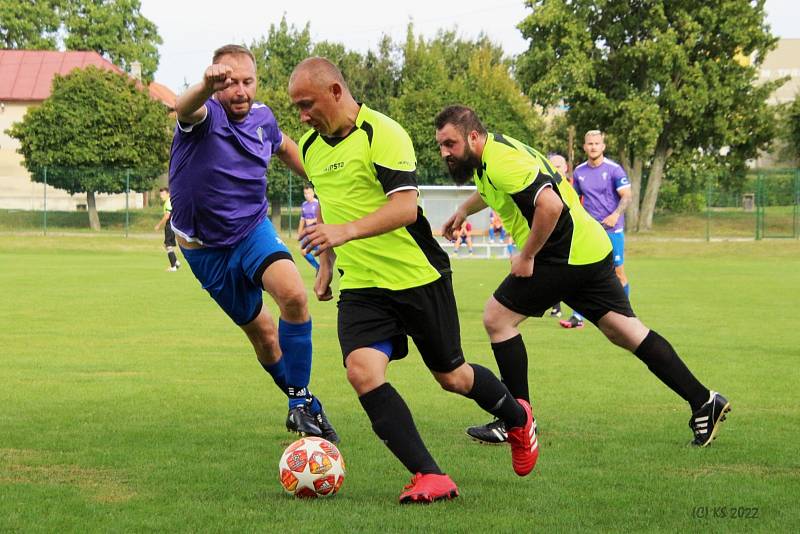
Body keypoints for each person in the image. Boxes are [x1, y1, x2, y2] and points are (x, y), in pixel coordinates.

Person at [288, 58, 538, 504]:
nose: (302, 116)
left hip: (417, 276)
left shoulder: (382, 133)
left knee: (453, 377)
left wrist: (341, 233)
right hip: (362, 285)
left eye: (307, 104)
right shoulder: (310, 147)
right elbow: (329, 203)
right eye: (297, 108)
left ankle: (518, 420)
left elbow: (404, 208)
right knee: (362, 372)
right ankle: (430, 475)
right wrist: (326, 263)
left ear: (335, 92)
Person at [435, 105, 730, 449]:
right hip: (589, 246)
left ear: (472, 136)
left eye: (450, 144)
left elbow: (550, 206)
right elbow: (492, 190)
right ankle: (704, 401)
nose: (445, 152)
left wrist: (527, 255)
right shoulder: (495, 153)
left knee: (497, 318)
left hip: (563, 253)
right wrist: (462, 211)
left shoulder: (502, 161)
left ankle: (516, 421)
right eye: (441, 145)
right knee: (626, 331)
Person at [168, 44, 338, 443]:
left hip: (251, 231)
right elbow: (183, 106)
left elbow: (284, 146)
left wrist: (319, 180)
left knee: (294, 295)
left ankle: (297, 404)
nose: (239, 91)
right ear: (216, 84)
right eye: (229, 83)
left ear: (256, 82)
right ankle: (308, 403)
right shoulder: (205, 116)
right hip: (204, 251)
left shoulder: (263, 118)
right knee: (262, 333)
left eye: (247, 81)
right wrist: (206, 86)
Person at [560, 131, 631, 330]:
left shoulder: (615, 170)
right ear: (584, 147)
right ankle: (577, 316)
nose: (593, 147)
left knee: (618, 273)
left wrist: (616, 214)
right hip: (590, 232)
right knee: (582, 272)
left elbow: (627, 196)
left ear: (603, 146)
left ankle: (625, 314)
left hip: (612, 230)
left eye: (597, 143)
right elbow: (573, 200)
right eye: (589, 143)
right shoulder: (580, 172)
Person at [546, 154, 569, 318]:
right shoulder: (547, 188)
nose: (555, 170)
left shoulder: (574, 187)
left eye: (558, 166)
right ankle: (556, 306)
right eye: (551, 166)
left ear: (566, 167)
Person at [154, 187, 181, 271]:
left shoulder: (168, 202)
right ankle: (176, 262)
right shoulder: (169, 202)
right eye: (160, 194)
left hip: (170, 226)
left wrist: (158, 225)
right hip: (171, 226)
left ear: (168, 194)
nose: (161, 196)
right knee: (166, 245)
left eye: (163, 194)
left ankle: (173, 267)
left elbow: (167, 216)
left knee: (168, 246)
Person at [297, 184, 321, 271]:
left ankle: (323, 270)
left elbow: (322, 218)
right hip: (308, 234)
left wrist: (313, 220)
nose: (307, 195)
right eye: (305, 193)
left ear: (313, 193)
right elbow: (302, 220)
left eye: (308, 193)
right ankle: (317, 267)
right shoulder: (304, 205)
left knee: (322, 253)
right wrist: (299, 233)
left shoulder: (318, 204)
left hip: (317, 233)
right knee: (303, 251)